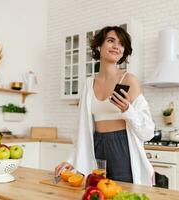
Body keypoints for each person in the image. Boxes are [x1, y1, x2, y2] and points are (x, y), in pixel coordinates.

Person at [55, 26, 155, 185]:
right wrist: (71, 159)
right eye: (111, 40)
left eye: (121, 44)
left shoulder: (129, 80)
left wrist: (127, 110)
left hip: (122, 147)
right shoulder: (88, 84)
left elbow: (148, 131)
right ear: (98, 46)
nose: (117, 46)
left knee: (121, 194)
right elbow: (81, 129)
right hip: (96, 145)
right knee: (95, 191)